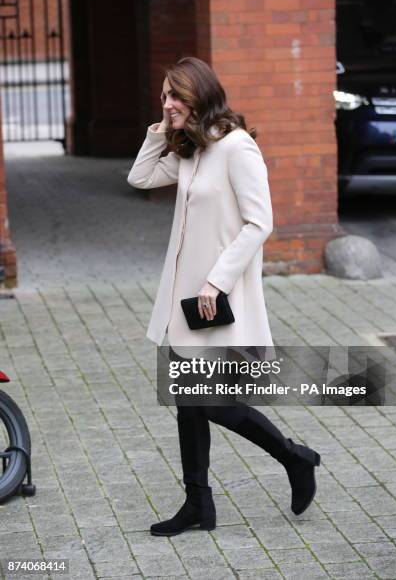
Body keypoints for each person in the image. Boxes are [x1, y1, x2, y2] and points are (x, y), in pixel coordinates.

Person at [127, 57, 320, 536]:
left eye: (176, 96)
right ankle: (198, 505)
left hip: (216, 298)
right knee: (189, 402)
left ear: (201, 96)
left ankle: (295, 458)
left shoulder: (238, 148)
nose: (167, 103)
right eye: (164, 96)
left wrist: (217, 280)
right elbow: (141, 178)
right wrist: (161, 129)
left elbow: (261, 222)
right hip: (183, 298)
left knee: (212, 402)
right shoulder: (191, 148)